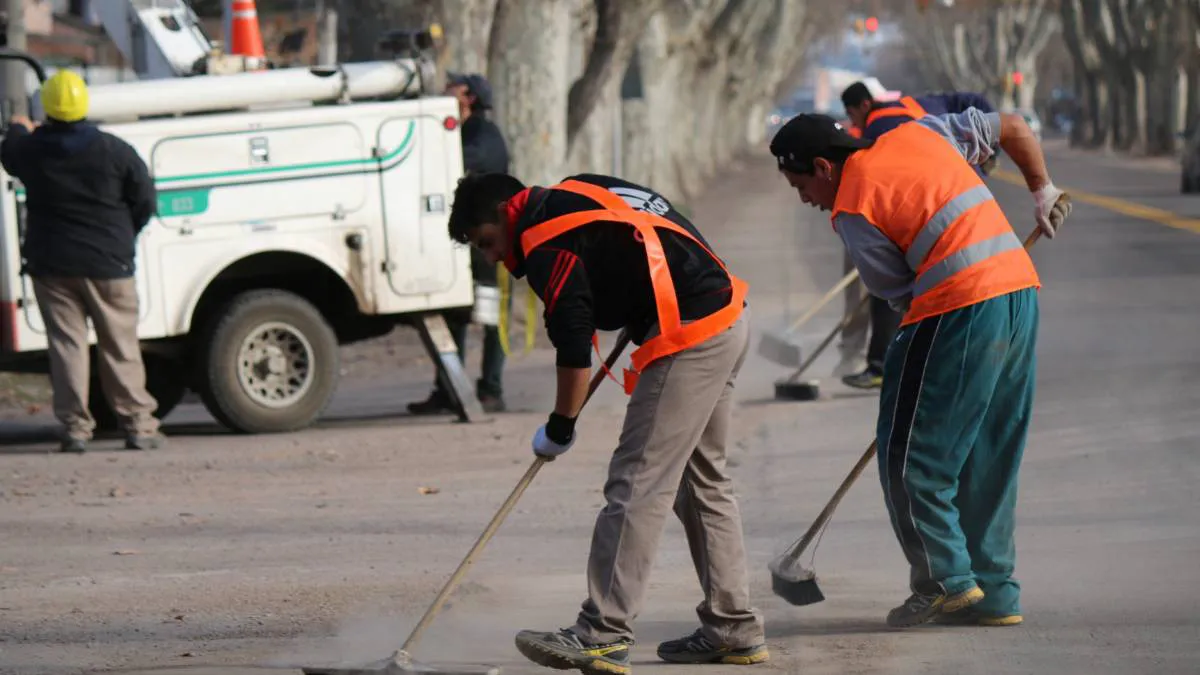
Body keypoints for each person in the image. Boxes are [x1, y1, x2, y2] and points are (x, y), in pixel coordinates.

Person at [446, 171, 767, 674]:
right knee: (702, 482)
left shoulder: (546, 242)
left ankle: (602, 632)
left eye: (487, 242)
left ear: (508, 212)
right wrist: (640, 305)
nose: (491, 257)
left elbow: (574, 347)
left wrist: (559, 427)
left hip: (690, 335)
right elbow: (651, 236)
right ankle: (734, 629)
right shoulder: (581, 190)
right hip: (727, 315)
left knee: (638, 481)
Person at [768, 108, 1070, 628]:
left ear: (822, 166)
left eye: (799, 185)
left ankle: (944, 580)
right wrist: (1041, 189)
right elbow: (1015, 125)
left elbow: (898, 294)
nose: (804, 200)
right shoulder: (920, 132)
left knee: (909, 456)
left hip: (957, 309)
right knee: (987, 452)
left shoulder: (852, 207)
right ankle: (994, 592)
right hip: (1019, 294)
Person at [0, 70, 164, 453]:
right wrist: (123, 236)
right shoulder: (115, 150)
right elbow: (145, 202)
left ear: (48, 107)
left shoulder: (32, 150)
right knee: (120, 346)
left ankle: (76, 429)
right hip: (110, 264)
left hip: (53, 266)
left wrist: (19, 127)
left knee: (67, 347)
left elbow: (9, 152)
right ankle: (138, 425)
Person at [834, 82, 999, 389]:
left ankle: (884, 366)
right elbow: (974, 99)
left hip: (939, 210)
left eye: (850, 113)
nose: (852, 120)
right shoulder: (916, 102)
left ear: (863, 106)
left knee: (890, 288)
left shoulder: (877, 131)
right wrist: (989, 157)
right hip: (968, 196)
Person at [408, 73, 513, 415]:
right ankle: (449, 389)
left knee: (490, 315)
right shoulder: (459, 131)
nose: (445, 88)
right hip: (462, 242)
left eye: (452, 86)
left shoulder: (484, 136)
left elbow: (456, 163)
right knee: (453, 316)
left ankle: (492, 390)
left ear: (467, 96)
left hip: (490, 247)